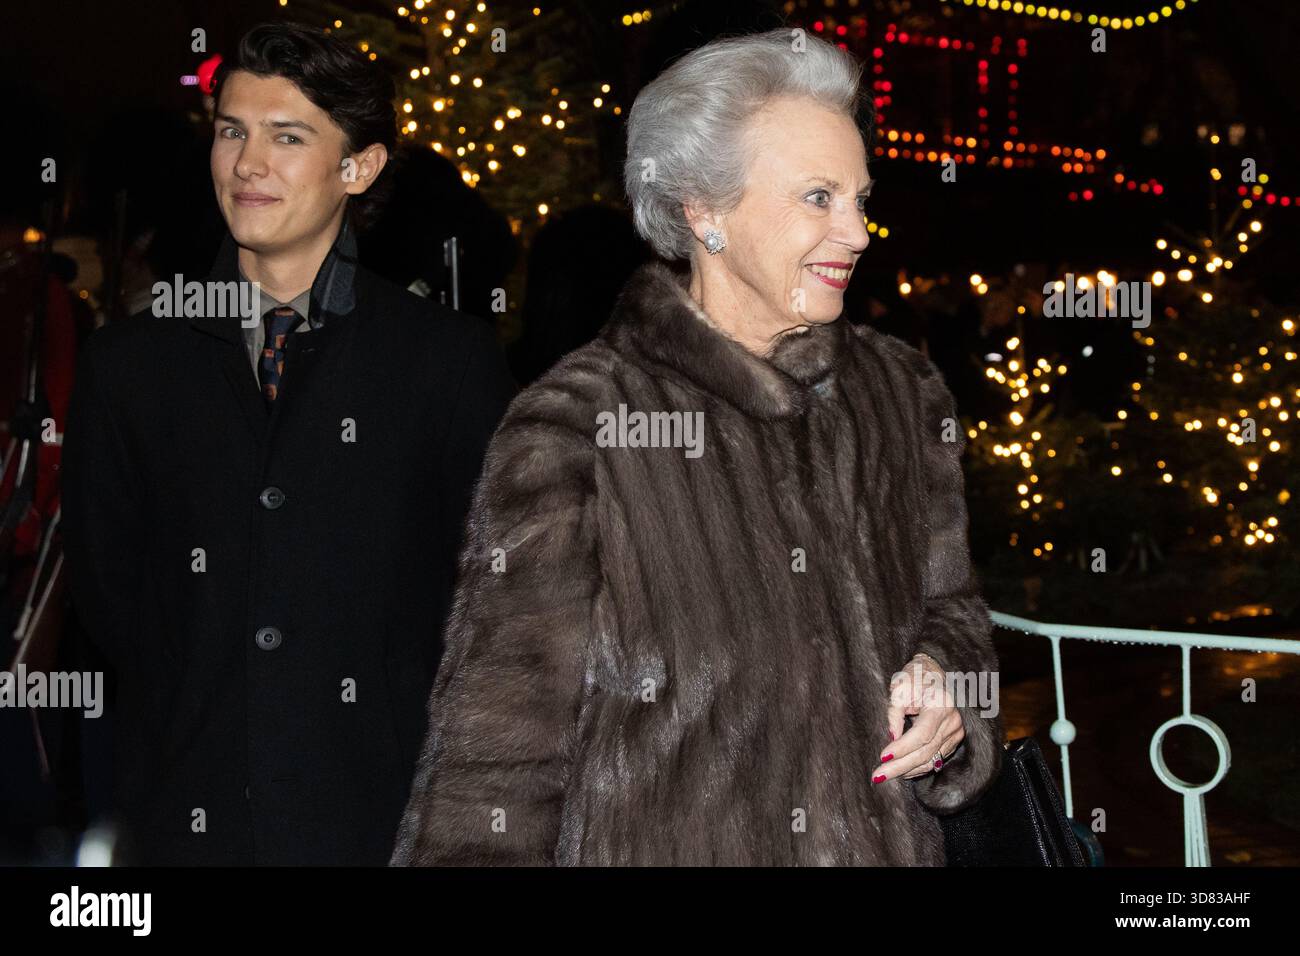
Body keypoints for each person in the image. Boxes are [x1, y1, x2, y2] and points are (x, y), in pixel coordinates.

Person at [391, 27, 1004, 866]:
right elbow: (499, 756)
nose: (858, 232)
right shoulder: (578, 426)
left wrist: (948, 694)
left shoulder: (903, 394)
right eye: (818, 198)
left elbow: (956, 613)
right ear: (703, 211)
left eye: (860, 198)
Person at [62, 22, 515, 865]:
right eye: (233, 130)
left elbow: (489, 595)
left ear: (359, 167)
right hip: (184, 817)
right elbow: (112, 593)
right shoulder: (131, 362)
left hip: (379, 817)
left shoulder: (444, 363)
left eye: (288, 136)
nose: (247, 163)